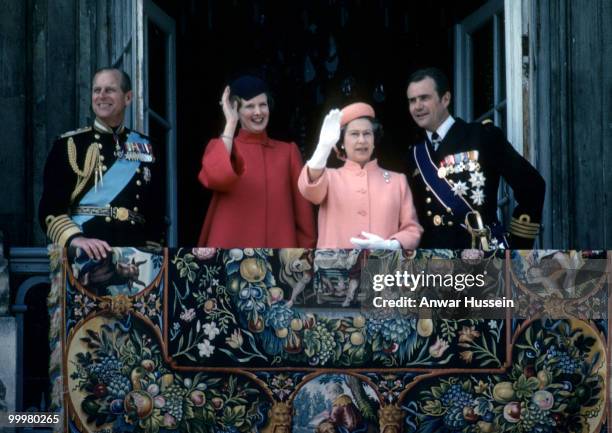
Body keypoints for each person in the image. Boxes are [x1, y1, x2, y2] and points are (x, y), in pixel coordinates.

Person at [405, 67, 545, 249]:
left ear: (445, 99)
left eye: (424, 98)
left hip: (480, 258)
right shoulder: (414, 156)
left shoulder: (482, 137)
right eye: (412, 100)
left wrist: (518, 247)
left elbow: (533, 187)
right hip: (435, 265)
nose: (417, 106)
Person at [39, 68, 166, 259]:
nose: (101, 96)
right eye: (96, 90)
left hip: (134, 256)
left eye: (110, 90)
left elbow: (155, 212)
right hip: (85, 254)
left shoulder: (147, 147)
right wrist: (77, 239)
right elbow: (50, 209)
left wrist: (149, 254)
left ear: (128, 98)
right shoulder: (69, 145)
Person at [197, 75, 316, 248]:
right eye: (249, 106)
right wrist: (230, 123)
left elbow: (304, 215)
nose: (258, 112)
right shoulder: (223, 147)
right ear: (236, 110)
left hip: (280, 256)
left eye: (263, 104)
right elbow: (216, 178)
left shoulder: (288, 152)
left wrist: (306, 257)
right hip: (231, 253)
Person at [298, 102, 422, 249]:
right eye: (354, 134)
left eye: (367, 133)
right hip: (335, 270)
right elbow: (308, 189)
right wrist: (323, 147)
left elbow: (412, 230)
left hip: (382, 268)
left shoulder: (398, 181)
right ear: (342, 141)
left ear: (374, 140)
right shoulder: (328, 178)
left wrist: (390, 245)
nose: (362, 140)